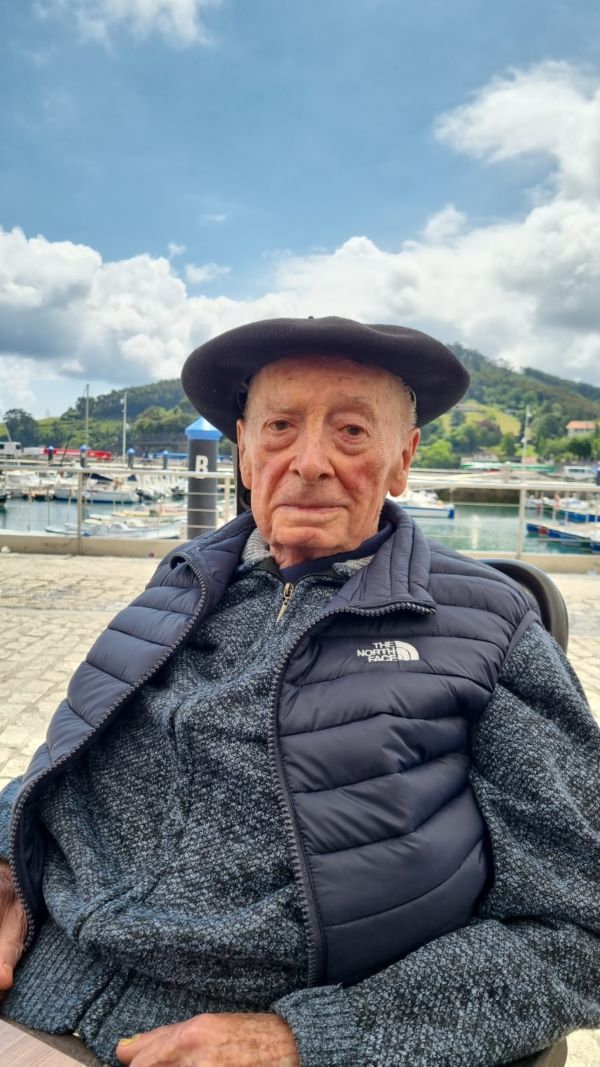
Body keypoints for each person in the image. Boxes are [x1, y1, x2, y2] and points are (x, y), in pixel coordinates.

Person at [0, 317, 598, 1067]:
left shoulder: (492, 626)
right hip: (36, 980)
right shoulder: (179, 582)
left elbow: (577, 930)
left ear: (403, 459)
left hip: (251, 1029)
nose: (309, 461)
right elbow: (69, 755)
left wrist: (307, 1039)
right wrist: (6, 857)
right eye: (281, 427)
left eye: (351, 430)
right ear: (245, 451)